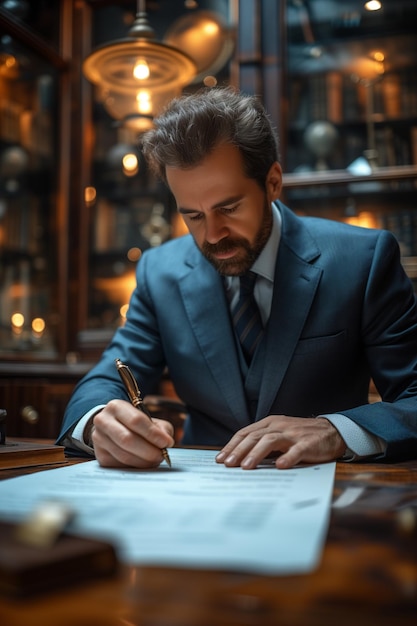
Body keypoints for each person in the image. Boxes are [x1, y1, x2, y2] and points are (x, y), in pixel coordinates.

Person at [57, 86, 417, 470]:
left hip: (325, 493)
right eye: (193, 215)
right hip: (196, 494)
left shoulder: (363, 260)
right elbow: (104, 381)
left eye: (228, 207)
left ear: (273, 182)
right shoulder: (158, 271)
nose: (211, 235)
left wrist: (336, 431)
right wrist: (99, 424)